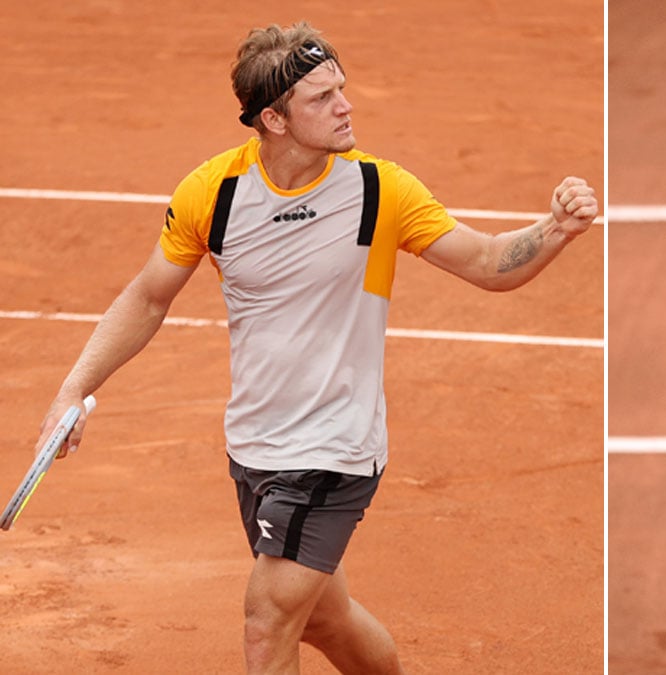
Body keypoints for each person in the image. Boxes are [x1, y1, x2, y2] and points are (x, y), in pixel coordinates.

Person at [37, 22, 597, 674]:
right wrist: (73, 387)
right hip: (254, 443)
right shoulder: (214, 194)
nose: (345, 105)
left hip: (335, 448)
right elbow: (147, 297)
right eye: (322, 97)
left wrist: (554, 229)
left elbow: (489, 261)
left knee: (267, 619)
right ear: (272, 118)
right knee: (327, 619)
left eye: (342, 89)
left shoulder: (378, 191)